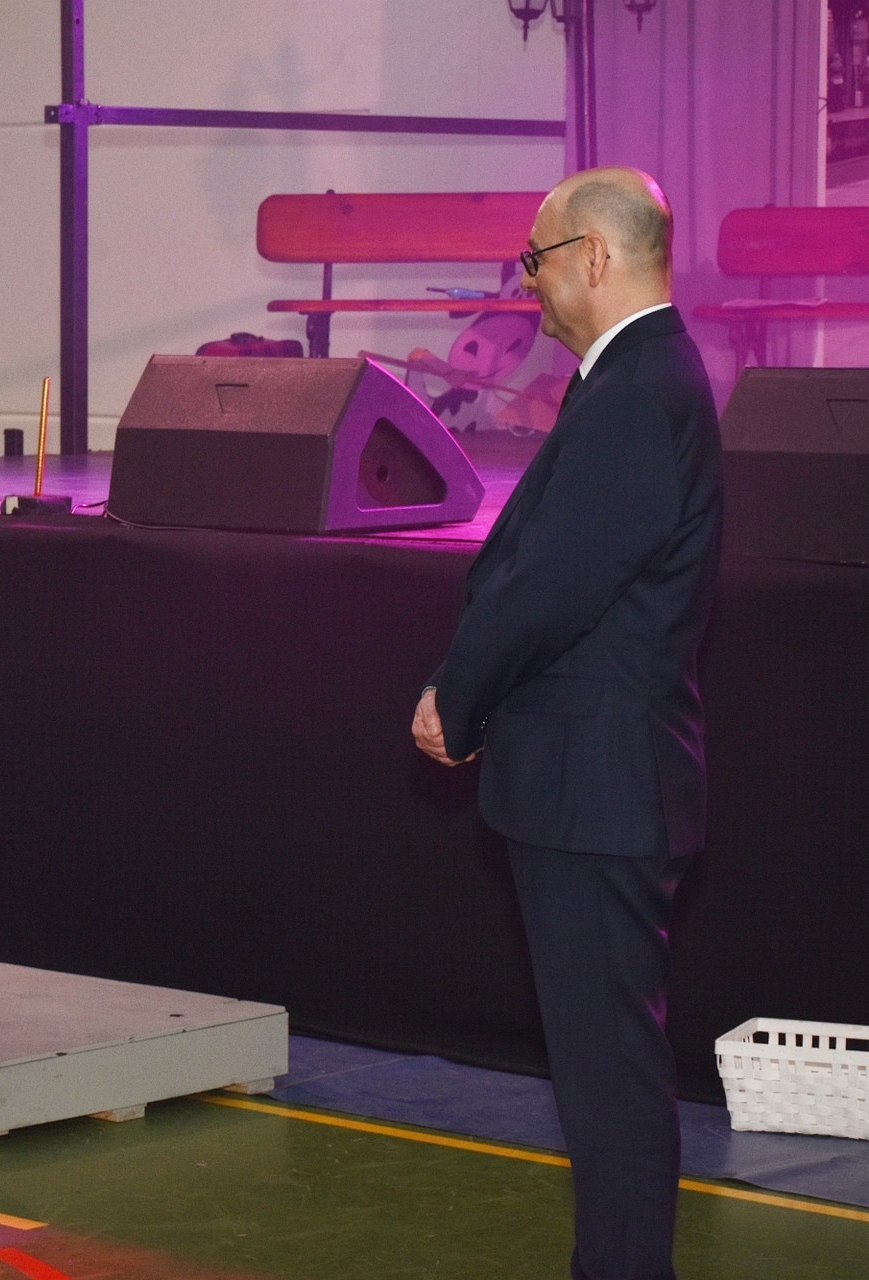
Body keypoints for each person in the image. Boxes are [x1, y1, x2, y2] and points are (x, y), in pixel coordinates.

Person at [412, 168, 721, 1280]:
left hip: (598, 787)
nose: (528, 284)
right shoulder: (636, 377)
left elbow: (553, 583)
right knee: (602, 1068)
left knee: (608, 1074)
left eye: (535, 260)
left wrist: (458, 695)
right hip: (595, 781)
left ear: (594, 255)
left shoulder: (637, 390)